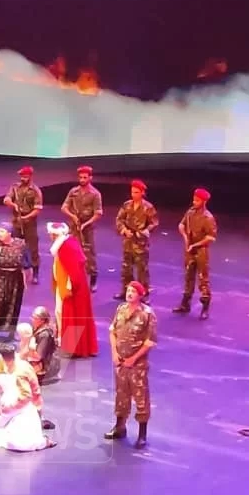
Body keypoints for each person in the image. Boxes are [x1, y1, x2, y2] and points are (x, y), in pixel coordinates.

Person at [105, 281, 157, 449]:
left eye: (133, 291)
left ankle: (142, 434)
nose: (129, 293)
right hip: (120, 361)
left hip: (137, 365)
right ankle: (120, 427)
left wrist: (134, 358)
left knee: (140, 397)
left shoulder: (147, 314)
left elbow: (150, 341)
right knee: (121, 395)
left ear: (140, 295)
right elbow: (112, 331)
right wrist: (114, 353)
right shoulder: (121, 309)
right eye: (128, 290)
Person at [0, 343, 57, 452]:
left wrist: (11, 408)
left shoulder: (19, 372)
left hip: (24, 406)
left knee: (15, 440)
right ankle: (42, 439)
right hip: (31, 402)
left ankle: (43, 441)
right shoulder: (22, 364)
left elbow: (26, 396)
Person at [48, 222, 98, 357]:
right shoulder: (64, 244)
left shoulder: (66, 246)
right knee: (60, 313)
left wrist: (69, 287)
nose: (50, 237)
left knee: (71, 315)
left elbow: (74, 269)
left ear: (55, 235)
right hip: (63, 285)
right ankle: (64, 341)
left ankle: (73, 348)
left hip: (71, 288)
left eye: (51, 234)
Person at [0, 223, 32, 341]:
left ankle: (10, 333)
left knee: (13, 304)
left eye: (2, 231)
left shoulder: (20, 244)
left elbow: (27, 264)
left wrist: (26, 279)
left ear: (9, 233)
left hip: (15, 278)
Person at [173, 188, 217, 320]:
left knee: (203, 279)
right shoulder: (190, 212)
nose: (194, 202)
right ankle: (185, 304)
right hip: (189, 250)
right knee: (188, 277)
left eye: (197, 200)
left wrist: (196, 245)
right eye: (194, 199)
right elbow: (181, 225)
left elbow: (211, 237)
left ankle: (205, 308)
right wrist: (185, 238)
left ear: (203, 202)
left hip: (201, 251)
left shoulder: (208, 218)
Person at [114, 179, 159, 302]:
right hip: (128, 241)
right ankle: (126, 291)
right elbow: (119, 219)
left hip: (140, 243)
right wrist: (124, 230)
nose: (134, 195)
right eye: (132, 192)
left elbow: (154, 223)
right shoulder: (127, 205)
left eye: (136, 192)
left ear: (142, 193)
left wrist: (144, 231)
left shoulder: (148, 207)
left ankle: (143, 294)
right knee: (126, 268)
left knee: (141, 270)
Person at [60, 165, 103, 291]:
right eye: (80, 177)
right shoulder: (73, 192)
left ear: (90, 178)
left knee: (89, 254)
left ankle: (93, 279)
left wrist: (86, 223)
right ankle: (74, 278)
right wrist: (72, 216)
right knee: (73, 252)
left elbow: (98, 213)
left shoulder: (95, 194)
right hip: (74, 227)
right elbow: (64, 207)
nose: (82, 180)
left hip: (87, 228)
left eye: (85, 177)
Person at [3, 165, 43, 284]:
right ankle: (15, 271)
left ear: (30, 176)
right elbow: (6, 199)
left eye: (25, 176)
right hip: (16, 221)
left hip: (29, 223)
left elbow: (37, 209)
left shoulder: (35, 190)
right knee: (14, 246)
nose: (23, 178)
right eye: (21, 176)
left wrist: (26, 217)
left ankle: (35, 273)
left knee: (32, 248)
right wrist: (13, 205)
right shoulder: (15, 187)